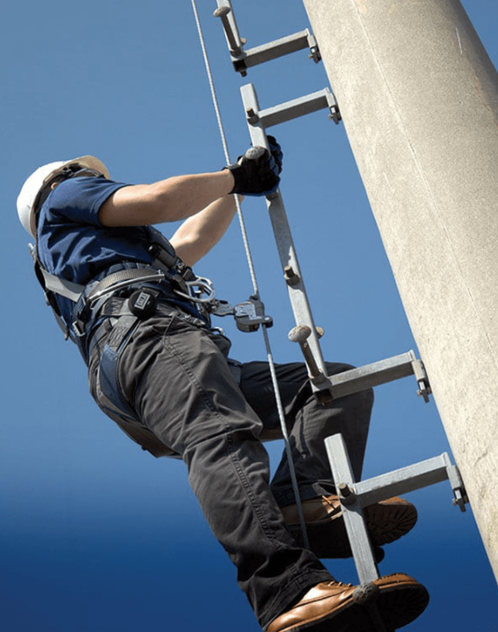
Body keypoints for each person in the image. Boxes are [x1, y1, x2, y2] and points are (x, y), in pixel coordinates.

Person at [17, 143, 429, 632]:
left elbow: (188, 236)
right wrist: (233, 176)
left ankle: (301, 499)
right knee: (221, 438)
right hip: (153, 339)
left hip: (159, 349)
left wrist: (240, 186)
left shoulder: (112, 252)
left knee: (334, 385)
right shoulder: (67, 192)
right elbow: (157, 201)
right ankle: (286, 588)